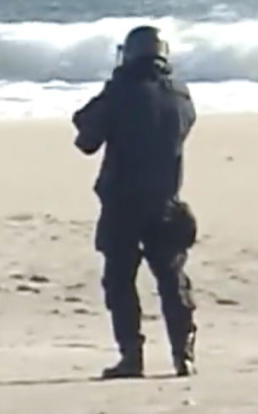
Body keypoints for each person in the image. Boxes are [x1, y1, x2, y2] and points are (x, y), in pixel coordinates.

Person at [72, 25, 199, 379]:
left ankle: (132, 355)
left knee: (120, 280)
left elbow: (86, 139)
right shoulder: (181, 95)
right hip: (166, 202)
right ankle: (183, 354)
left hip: (122, 204)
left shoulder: (121, 92)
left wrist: (110, 91)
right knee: (172, 280)